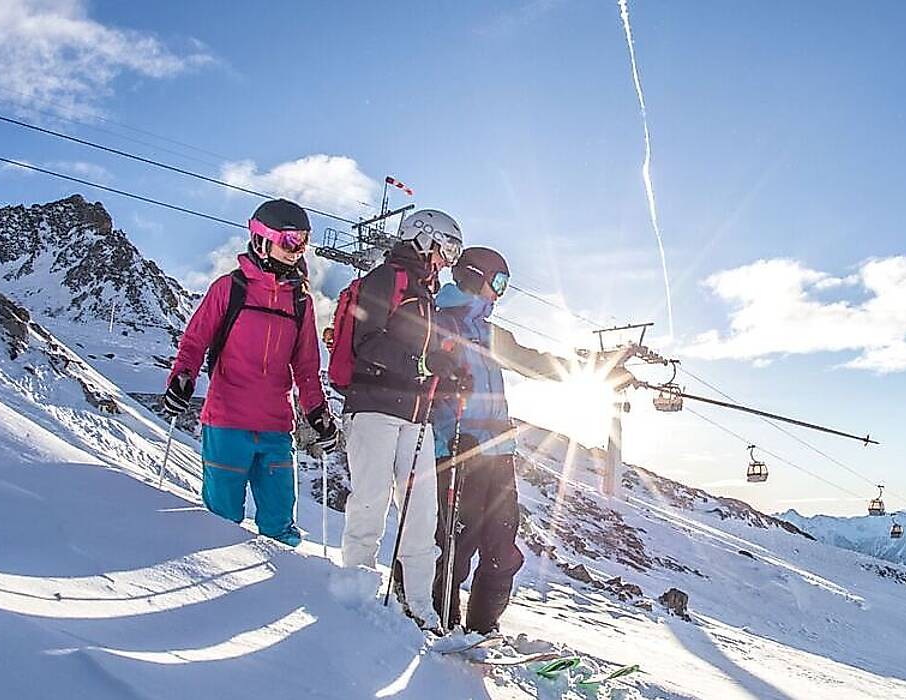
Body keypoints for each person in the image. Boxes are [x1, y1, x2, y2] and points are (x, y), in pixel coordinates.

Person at [426, 247, 632, 635]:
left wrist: (601, 370)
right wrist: (445, 386)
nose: (500, 293)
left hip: (499, 453)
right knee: (457, 545)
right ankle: (441, 623)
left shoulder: (491, 334)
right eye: (498, 282)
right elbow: (420, 374)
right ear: (473, 276)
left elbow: (534, 362)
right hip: (457, 449)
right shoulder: (438, 323)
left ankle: (483, 628)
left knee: (502, 548)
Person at [162, 199, 337, 547]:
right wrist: (182, 378)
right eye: (289, 241)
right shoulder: (230, 289)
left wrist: (317, 411)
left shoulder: (300, 301)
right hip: (227, 424)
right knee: (220, 524)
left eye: (303, 241)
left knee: (279, 525)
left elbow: (305, 367)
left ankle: (281, 592)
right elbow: (195, 341)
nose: (297, 250)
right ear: (261, 238)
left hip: (275, 428)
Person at [329, 209, 463, 628]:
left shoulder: (428, 297)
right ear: (423, 239)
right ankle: (356, 592)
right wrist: (424, 360)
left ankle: (423, 609)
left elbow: (426, 359)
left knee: (422, 513)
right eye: (446, 249)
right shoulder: (385, 279)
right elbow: (367, 341)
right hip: (372, 408)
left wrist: (445, 373)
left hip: (415, 415)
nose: (447, 260)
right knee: (370, 500)